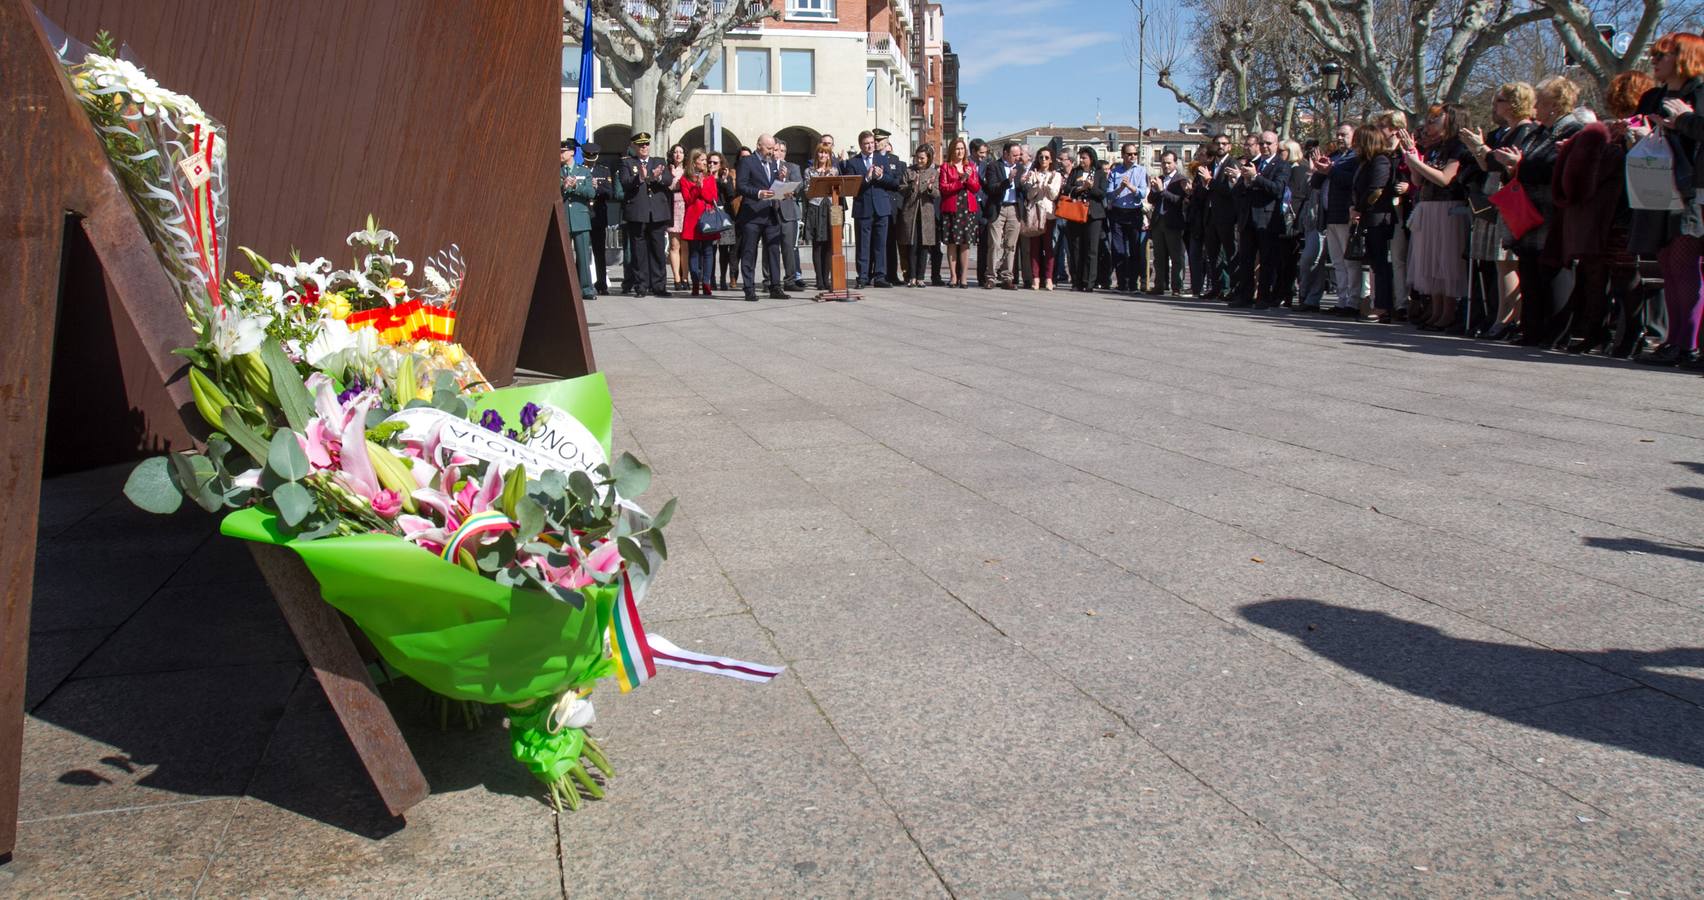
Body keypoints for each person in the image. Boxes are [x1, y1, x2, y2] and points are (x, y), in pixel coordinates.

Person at [1553, 71, 1651, 354]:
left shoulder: (1642, 127)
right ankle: (1597, 331)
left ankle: (1630, 333)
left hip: (1624, 210)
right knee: (1596, 275)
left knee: (1623, 275)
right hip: (1604, 212)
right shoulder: (1610, 129)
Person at [1491, 75, 1592, 347]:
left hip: (1553, 211)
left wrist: (1520, 165)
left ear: (1555, 104)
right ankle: (1532, 330)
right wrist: (1513, 166)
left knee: (1554, 270)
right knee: (1530, 269)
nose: (1536, 105)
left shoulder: (1574, 131)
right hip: (1528, 211)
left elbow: (1556, 168)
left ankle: (1556, 333)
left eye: (1542, 100)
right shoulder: (1538, 132)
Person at [1632, 32, 1704, 368]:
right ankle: (1672, 341)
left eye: (1662, 55)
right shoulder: (1652, 96)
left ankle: (1687, 343)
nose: (1655, 62)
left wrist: (1683, 121)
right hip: (1653, 188)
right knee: (1668, 267)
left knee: (1685, 265)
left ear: (1683, 57)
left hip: (1688, 189)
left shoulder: (1699, 91)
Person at [1463, 83, 1538, 339]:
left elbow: (1501, 162)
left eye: (1501, 100)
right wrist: (1478, 147)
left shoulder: (1526, 130)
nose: (1495, 105)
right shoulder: (1510, 131)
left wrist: (1482, 149)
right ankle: (1503, 318)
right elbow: (1488, 165)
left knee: (1507, 262)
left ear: (1515, 102)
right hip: (1501, 199)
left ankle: (1506, 320)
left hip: (1513, 201)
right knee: (1501, 263)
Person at [1398, 105, 1472, 331]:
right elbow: (1419, 182)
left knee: (1445, 262)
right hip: (1428, 206)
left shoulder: (1458, 146)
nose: (1429, 125)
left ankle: (1448, 311)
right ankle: (1436, 309)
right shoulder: (1434, 148)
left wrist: (1417, 161)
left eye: (1435, 120)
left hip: (1448, 208)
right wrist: (1412, 156)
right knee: (1430, 262)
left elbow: (1445, 178)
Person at [1235, 131, 1291, 309]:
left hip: (1267, 219)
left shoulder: (1281, 165)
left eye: (1268, 143)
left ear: (1276, 145)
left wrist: (1256, 178)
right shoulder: (1253, 163)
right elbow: (1237, 192)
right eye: (1262, 143)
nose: (1265, 146)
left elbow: (1277, 189)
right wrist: (1243, 181)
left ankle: (1264, 297)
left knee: (1267, 261)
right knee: (1246, 259)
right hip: (1248, 218)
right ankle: (1245, 296)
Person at [1315, 122, 1365, 316]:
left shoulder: (1356, 158)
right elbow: (1316, 183)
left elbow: (1352, 181)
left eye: (1344, 135)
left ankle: (1353, 301)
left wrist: (1332, 170)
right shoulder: (1334, 157)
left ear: (1354, 136)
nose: (1339, 138)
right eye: (1338, 135)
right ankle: (1342, 299)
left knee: (1350, 261)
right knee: (1337, 261)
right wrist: (1321, 168)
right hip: (1331, 215)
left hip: (1346, 214)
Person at [735, 133, 791, 302]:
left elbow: (773, 186)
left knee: (774, 250)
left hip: (770, 213)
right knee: (749, 252)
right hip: (752, 214)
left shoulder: (773, 163)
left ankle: (775, 287)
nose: (771, 152)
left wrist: (782, 185)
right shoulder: (747, 162)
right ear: (759, 145)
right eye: (768, 148)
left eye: (773, 148)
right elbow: (741, 186)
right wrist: (758, 193)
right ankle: (749, 288)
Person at [1351, 124, 1399, 321]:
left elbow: (1376, 190)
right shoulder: (1366, 162)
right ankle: (1377, 304)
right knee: (1373, 264)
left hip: (1379, 218)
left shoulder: (1381, 161)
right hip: (1369, 218)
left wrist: (1359, 208)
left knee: (1381, 263)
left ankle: (1383, 306)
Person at [619, 132, 675, 297]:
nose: (644, 147)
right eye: (640, 145)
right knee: (639, 252)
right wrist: (640, 178)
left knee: (658, 251)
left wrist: (656, 178)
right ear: (634, 147)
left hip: (657, 213)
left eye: (646, 144)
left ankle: (659, 286)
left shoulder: (659, 161)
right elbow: (625, 183)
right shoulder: (628, 163)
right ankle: (641, 286)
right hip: (638, 213)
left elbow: (668, 180)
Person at [845, 130, 902, 288]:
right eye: (866, 144)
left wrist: (881, 177)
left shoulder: (881, 158)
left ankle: (880, 276)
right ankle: (863, 277)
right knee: (863, 245)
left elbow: (894, 183)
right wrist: (868, 178)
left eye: (871, 142)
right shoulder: (853, 163)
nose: (870, 146)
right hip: (863, 209)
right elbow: (852, 188)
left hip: (882, 209)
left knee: (880, 244)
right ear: (860, 145)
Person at [981, 141, 1028, 290]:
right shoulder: (994, 166)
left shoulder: (1020, 168)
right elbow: (992, 188)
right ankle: (990, 277)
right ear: (1005, 154)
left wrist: (1024, 184)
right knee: (994, 244)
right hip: (998, 208)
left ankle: (1008, 277)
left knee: (1011, 245)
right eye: (1014, 155)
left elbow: (1023, 192)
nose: (1017, 158)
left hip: (1014, 208)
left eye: (1019, 155)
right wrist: (1008, 181)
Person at [938, 136, 982, 289]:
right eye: (957, 149)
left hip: (967, 208)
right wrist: (960, 181)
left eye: (962, 149)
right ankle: (953, 276)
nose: (960, 151)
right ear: (952, 150)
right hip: (952, 207)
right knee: (952, 242)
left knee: (965, 243)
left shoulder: (970, 166)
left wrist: (968, 178)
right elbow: (944, 188)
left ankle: (963, 277)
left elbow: (976, 188)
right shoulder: (946, 167)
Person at [1107, 143, 1150, 292]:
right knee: (1118, 250)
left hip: (1133, 213)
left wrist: (1131, 187)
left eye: (1135, 154)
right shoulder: (1115, 172)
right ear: (1123, 155)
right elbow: (1109, 194)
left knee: (1134, 249)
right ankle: (1122, 283)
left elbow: (1143, 193)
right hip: (1118, 213)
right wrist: (1121, 188)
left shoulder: (1141, 171)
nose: (1133, 157)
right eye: (1129, 154)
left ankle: (1133, 283)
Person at [1290, 140, 1328, 310]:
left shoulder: (1328, 168)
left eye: (1314, 152)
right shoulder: (1305, 170)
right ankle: (1307, 298)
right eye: (1308, 152)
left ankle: (1311, 298)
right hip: (1311, 220)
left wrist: (1319, 173)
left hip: (1324, 220)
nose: (1311, 155)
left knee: (1313, 259)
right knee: (1309, 260)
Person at [803, 142, 846, 291]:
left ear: (829, 155)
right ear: (817, 154)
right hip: (815, 207)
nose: (823, 155)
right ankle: (819, 279)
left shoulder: (834, 170)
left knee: (829, 244)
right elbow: (807, 191)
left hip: (830, 207)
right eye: (820, 152)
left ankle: (827, 279)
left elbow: (839, 189)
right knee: (818, 245)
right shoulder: (809, 171)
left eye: (826, 153)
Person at [677, 149, 720, 297]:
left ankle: (706, 282)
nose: (705, 163)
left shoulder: (710, 178)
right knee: (694, 252)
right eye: (701, 160)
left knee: (708, 251)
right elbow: (688, 199)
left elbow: (713, 197)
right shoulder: (685, 179)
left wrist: (702, 188)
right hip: (693, 220)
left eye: (705, 160)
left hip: (707, 218)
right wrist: (697, 188)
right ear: (694, 161)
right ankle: (695, 281)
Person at [1064, 146, 1107, 292]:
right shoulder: (1075, 171)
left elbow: (1102, 193)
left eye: (1084, 158)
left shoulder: (1100, 173)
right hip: (1076, 213)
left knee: (1091, 249)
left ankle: (1089, 282)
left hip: (1094, 214)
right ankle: (1077, 281)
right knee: (1076, 248)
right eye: (1080, 157)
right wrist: (1080, 189)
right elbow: (1067, 189)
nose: (1081, 160)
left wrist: (1091, 187)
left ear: (1091, 159)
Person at [560, 139, 598, 302]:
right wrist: (563, 187)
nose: (560, 154)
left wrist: (576, 187)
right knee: (564, 256)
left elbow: (591, 193)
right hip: (563, 217)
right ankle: (565, 288)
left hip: (580, 217)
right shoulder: (558, 171)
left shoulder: (583, 171)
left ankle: (586, 288)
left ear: (572, 152)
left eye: (563, 151)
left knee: (583, 255)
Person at [767, 139, 807, 292]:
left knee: (788, 247)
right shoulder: (767, 166)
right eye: (776, 150)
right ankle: (769, 280)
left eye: (782, 151)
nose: (778, 153)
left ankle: (790, 280)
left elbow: (798, 185)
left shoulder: (792, 167)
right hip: (770, 211)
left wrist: (786, 181)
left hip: (787, 212)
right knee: (770, 247)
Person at [1203, 133, 1239, 300]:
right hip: (1210, 215)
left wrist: (1211, 182)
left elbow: (1231, 190)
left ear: (1229, 146)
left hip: (1227, 216)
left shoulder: (1232, 165)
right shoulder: (1210, 165)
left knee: (1229, 253)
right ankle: (1217, 287)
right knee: (1213, 254)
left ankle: (1231, 287)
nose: (1221, 146)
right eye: (1218, 143)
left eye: (1224, 143)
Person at [897, 144, 939, 287]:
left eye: (922, 158)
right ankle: (911, 276)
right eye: (917, 157)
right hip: (911, 213)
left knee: (924, 246)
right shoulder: (909, 171)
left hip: (926, 213)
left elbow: (937, 193)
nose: (919, 160)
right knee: (912, 245)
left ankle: (921, 277)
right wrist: (911, 186)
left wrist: (930, 188)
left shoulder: (933, 172)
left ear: (928, 159)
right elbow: (901, 189)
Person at [1149, 151, 1188, 295]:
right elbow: (1151, 199)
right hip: (1158, 222)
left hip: (1173, 223)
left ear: (1175, 163)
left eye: (1169, 163)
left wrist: (1162, 190)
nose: (1165, 165)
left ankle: (1177, 287)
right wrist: (1154, 190)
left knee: (1176, 256)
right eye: (1163, 163)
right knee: (1159, 257)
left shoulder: (1180, 180)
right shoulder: (1160, 178)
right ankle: (1160, 285)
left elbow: (1179, 200)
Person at [1024, 146, 1063, 290]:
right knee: (1034, 247)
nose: (1043, 160)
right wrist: (1036, 185)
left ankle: (1048, 278)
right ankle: (1035, 278)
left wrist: (1045, 184)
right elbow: (1029, 195)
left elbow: (1053, 195)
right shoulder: (1033, 173)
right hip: (1034, 213)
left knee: (1048, 247)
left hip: (1048, 214)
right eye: (1041, 157)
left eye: (1046, 157)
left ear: (1051, 159)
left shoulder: (1056, 175)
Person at [588, 143, 621, 296]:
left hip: (598, 215)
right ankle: (581, 282)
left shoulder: (603, 170)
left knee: (599, 252)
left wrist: (597, 188)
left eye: (593, 156)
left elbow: (609, 193)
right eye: (588, 156)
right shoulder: (580, 170)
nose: (590, 159)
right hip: (582, 215)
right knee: (581, 252)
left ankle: (602, 283)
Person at [710, 152, 739, 290]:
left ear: (721, 164)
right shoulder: (706, 178)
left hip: (725, 216)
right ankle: (711, 278)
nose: (711, 165)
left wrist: (725, 181)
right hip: (710, 215)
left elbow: (731, 196)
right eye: (710, 162)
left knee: (724, 250)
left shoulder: (725, 179)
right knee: (710, 249)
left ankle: (723, 278)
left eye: (715, 163)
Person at [970, 138, 993, 286]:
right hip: (968, 206)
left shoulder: (987, 166)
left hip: (983, 207)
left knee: (984, 243)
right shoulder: (965, 165)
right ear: (973, 151)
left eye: (985, 153)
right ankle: (960, 275)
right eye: (981, 153)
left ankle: (982, 276)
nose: (983, 156)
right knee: (965, 242)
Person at [666, 144, 689, 290]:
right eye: (675, 152)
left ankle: (686, 278)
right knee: (674, 245)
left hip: (686, 207)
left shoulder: (688, 170)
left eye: (681, 152)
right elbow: (667, 187)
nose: (678, 154)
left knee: (685, 246)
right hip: (672, 206)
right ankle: (677, 279)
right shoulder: (667, 169)